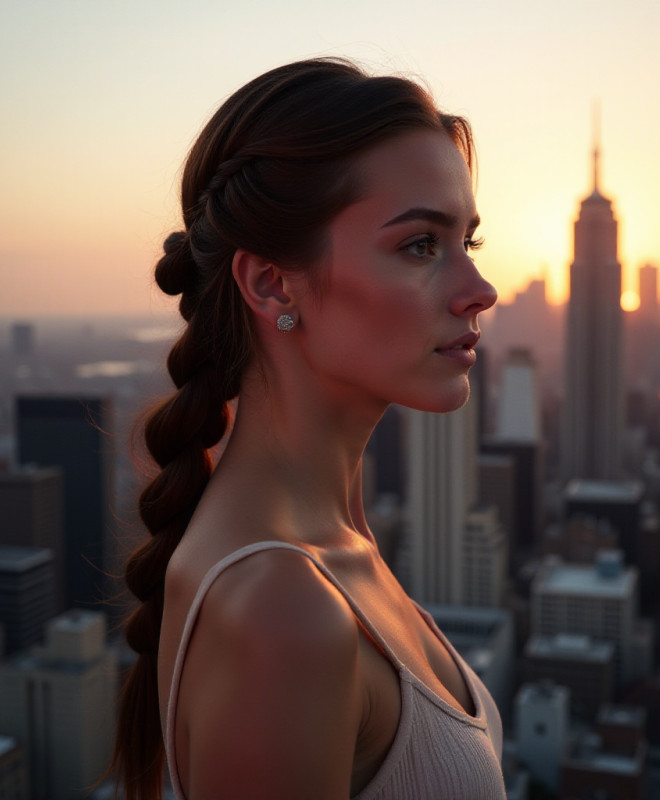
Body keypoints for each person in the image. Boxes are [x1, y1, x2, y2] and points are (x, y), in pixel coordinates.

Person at [112, 58, 505, 800]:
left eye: (467, 244)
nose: (479, 291)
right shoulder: (281, 611)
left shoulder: (332, 545)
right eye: (421, 245)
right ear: (271, 283)